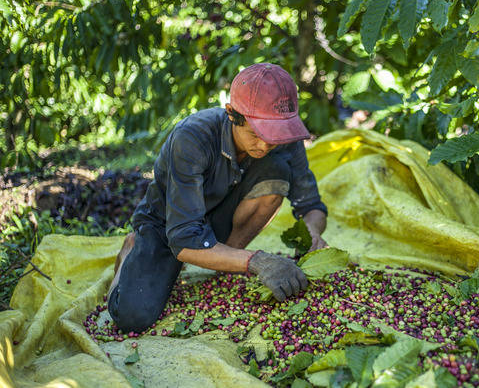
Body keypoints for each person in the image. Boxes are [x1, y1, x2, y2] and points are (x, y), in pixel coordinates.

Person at [107, 63, 328, 333]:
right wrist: (257, 261)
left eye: (275, 137)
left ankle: (225, 259)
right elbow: (184, 239)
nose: (265, 145)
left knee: (277, 171)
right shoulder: (192, 137)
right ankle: (133, 247)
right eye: (257, 135)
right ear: (232, 115)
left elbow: (311, 205)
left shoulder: (284, 138)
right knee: (132, 318)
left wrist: (312, 233)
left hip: (220, 215)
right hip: (169, 225)